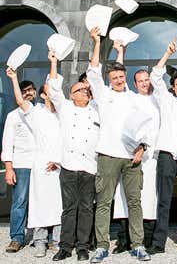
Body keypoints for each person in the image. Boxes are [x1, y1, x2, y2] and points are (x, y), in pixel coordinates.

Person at [87, 27, 152, 263]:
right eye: (114, 77)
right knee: (103, 202)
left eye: (121, 77)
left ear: (125, 77)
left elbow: (145, 127)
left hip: (132, 158)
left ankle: (138, 245)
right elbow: (93, 71)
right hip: (107, 156)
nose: (117, 80)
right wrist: (97, 42)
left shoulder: (135, 99)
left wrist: (143, 147)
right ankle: (102, 245)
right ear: (109, 80)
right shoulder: (103, 95)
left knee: (135, 202)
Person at [46, 51, 99, 261]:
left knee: (86, 209)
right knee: (69, 208)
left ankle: (83, 247)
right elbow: (53, 88)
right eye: (80, 89)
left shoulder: (96, 109)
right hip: (68, 166)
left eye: (87, 90)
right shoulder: (65, 107)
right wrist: (53, 62)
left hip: (89, 167)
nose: (85, 91)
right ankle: (65, 247)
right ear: (72, 94)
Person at [6, 65, 62, 258]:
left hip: (57, 166)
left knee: (57, 204)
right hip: (36, 164)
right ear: (43, 95)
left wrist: (59, 161)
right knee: (35, 203)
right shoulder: (34, 113)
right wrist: (14, 78)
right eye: (49, 93)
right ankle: (34, 240)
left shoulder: (61, 115)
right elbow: (21, 102)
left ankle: (55, 240)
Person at [112, 42, 160, 254]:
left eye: (146, 80)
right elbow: (118, 76)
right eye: (139, 81)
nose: (144, 83)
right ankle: (124, 240)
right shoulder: (130, 98)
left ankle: (146, 238)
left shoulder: (159, 100)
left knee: (149, 198)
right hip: (129, 154)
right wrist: (120, 52)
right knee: (124, 197)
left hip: (151, 157)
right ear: (134, 83)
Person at [147, 39, 177, 254]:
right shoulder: (165, 100)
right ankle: (159, 243)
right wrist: (167, 53)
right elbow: (156, 76)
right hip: (166, 155)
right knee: (163, 200)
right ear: (173, 87)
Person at [2, 80, 37, 253]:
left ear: (35, 92)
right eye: (24, 91)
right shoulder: (13, 116)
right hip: (22, 164)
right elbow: (7, 144)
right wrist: (9, 168)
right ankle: (16, 237)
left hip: (41, 165)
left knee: (41, 201)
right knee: (20, 201)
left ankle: (42, 237)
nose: (27, 93)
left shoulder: (42, 113)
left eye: (30, 90)